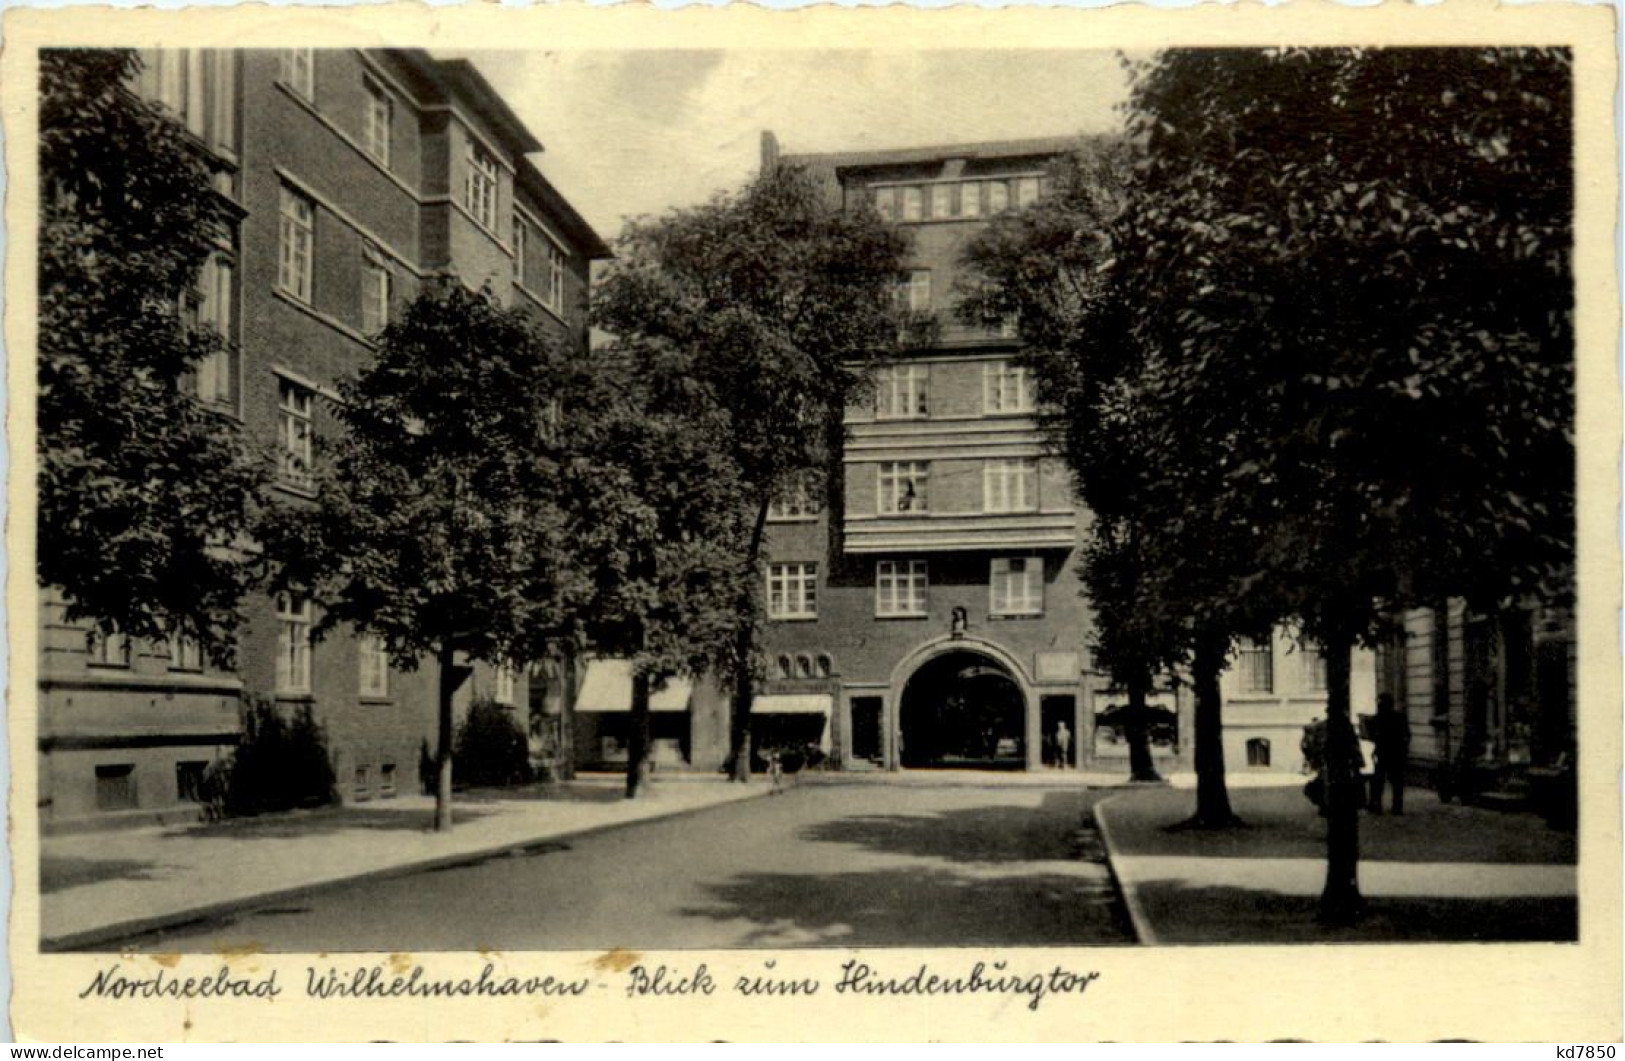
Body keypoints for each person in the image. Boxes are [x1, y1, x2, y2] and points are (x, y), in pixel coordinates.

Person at [1368, 693, 1410, 814]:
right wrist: (1404, 749)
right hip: (1397, 753)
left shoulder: (1377, 719)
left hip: (1382, 753)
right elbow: (1406, 735)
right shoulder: (1400, 717)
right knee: (1397, 782)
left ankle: (1376, 806)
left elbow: (1371, 736)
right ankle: (1397, 807)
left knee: (1378, 781)